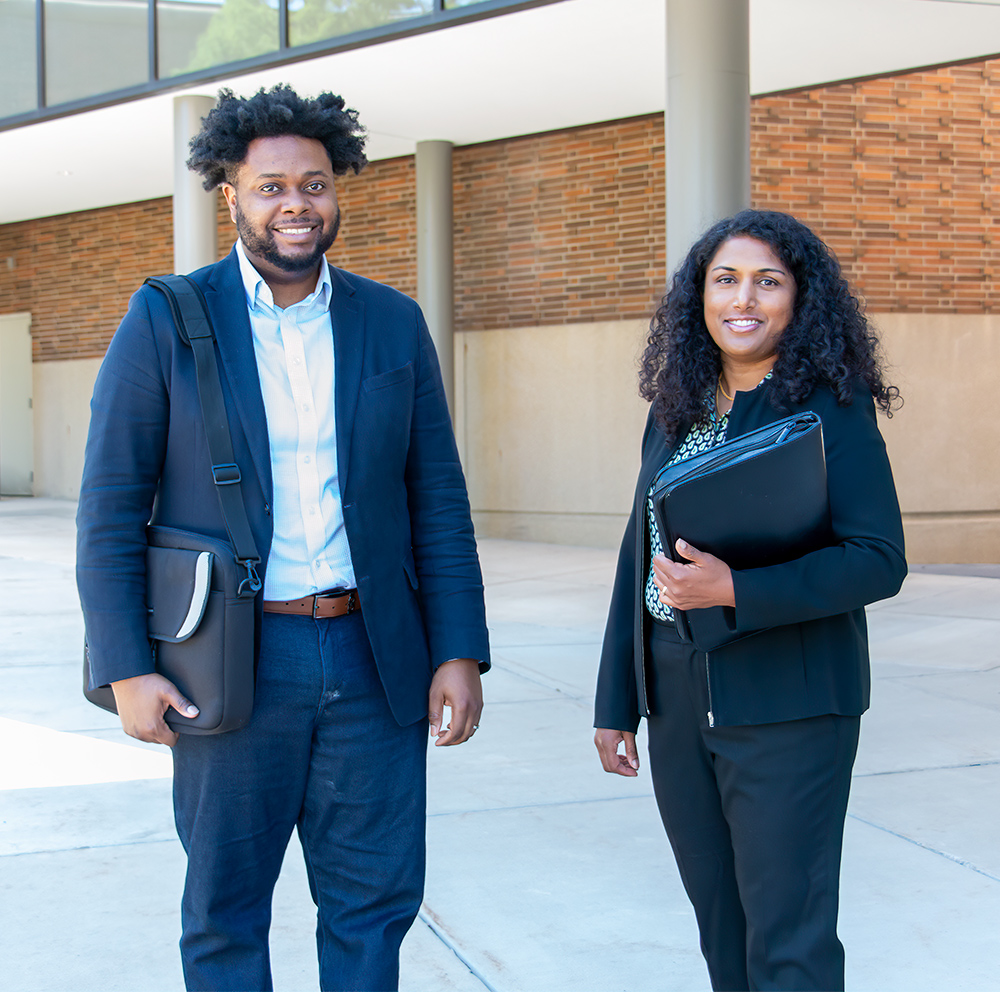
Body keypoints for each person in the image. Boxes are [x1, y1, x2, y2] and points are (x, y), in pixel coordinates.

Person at [76, 85, 490, 992]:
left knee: (373, 908)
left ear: (338, 191)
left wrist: (458, 649)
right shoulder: (167, 320)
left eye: (314, 184)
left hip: (374, 654)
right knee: (225, 913)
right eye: (270, 187)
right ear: (231, 195)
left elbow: (439, 503)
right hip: (228, 662)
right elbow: (109, 506)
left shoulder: (392, 323)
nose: (295, 204)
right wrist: (126, 664)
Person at [593, 209, 905, 992]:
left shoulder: (832, 406)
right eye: (725, 279)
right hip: (676, 693)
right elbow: (640, 553)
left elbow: (878, 560)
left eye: (768, 281)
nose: (745, 299)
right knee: (721, 928)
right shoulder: (676, 407)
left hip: (790, 701)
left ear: (800, 299)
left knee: (788, 938)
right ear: (698, 298)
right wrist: (616, 700)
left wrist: (737, 590)